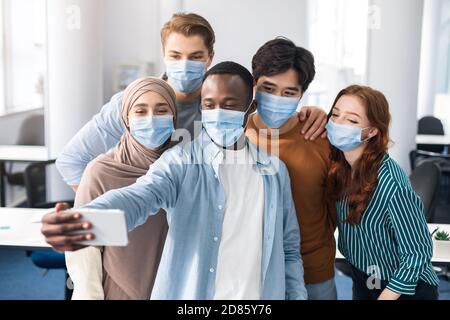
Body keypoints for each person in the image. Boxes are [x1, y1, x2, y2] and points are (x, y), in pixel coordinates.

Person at [43, 62, 307, 300]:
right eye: (208, 104)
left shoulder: (274, 171)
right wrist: (86, 222)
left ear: (250, 107)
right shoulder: (179, 160)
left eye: (229, 105)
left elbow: (288, 247)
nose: (217, 113)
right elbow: (139, 197)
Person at [56, 12, 327, 193]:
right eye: (175, 55)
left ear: (210, 57)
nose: (184, 65)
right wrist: (103, 212)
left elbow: (269, 109)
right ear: (163, 54)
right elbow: (71, 160)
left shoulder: (224, 108)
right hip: (141, 223)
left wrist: (310, 113)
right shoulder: (132, 104)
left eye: (195, 56)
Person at [64, 77, 177, 300]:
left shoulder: (183, 167)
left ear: (174, 115)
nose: (152, 119)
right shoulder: (101, 172)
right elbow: (84, 249)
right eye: (140, 111)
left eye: (161, 110)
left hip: (175, 288)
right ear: (126, 117)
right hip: (116, 289)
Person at [326, 84, 439, 300]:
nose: (338, 124)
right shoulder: (341, 166)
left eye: (351, 120)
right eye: (335, 115)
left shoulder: (391, 184)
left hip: (404, 286)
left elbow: (417, 253)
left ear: (372, 131)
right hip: (367, 274)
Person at [246, 38, 337, 300]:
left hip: (314, 275)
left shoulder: (320, 137)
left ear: (302, 94)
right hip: (252, 275)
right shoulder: (235, 134)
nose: (277, 99)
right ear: (254, 84)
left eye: (289, 92)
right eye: (268, 88)